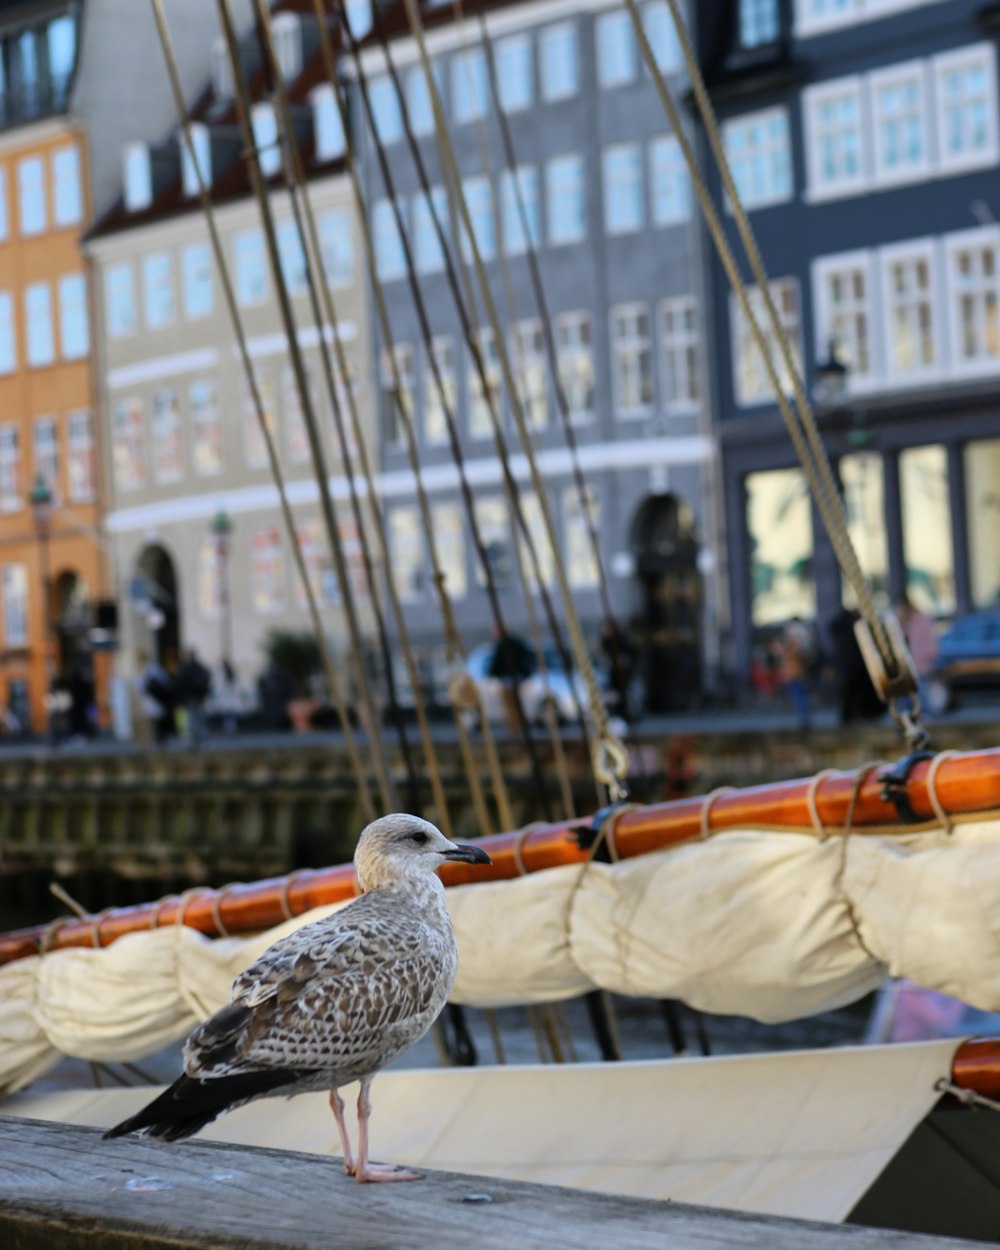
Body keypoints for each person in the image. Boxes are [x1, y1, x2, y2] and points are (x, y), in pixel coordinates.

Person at [896, 591, 939, 710]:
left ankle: (924, 717)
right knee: (906, 696)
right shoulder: (903, 621)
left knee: (922, 694)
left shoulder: (922, 620)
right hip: (906, 666)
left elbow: (930, 641)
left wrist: (930, 657)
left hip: (920, 664)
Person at [486, 628, 534, 733]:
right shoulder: (517, 643)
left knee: (510, 706)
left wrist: (492, 673)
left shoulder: (502, 645)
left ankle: (515, 729)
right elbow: (528, 656)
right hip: (518, 678)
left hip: (507, 679)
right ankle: (520, 727)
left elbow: (497, 662)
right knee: (517, 704)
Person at [779, 616, 812, 729]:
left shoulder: (794, 635)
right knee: (800, 695)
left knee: (799, 696)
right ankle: (804, 718)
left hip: (795, 673)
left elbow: (791, 653)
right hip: (797, 672)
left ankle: (804, 719)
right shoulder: (804, 634)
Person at [176, 648, 212, 744]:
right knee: (198, 718)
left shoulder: (187, 668)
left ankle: (199, 740)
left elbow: (182, 684)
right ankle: (201, 740)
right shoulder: (200, 667)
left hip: (191, 697)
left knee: (194, 719)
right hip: (199, 697)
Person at [137, 653, 175, 745]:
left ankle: (158, 738)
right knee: (157, 718)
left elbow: (144, 686)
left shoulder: (150, 669)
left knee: (156, 718)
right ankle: (158, 738)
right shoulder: (155, 669)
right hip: (156, 698)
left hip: (155, 697)